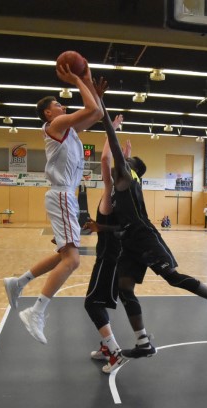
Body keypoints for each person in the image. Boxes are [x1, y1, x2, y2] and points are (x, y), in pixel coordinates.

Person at [99, 95, 207, 359]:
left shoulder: (128, 180)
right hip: (130, 241)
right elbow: (106, 159)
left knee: (173, 278)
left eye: (126, 161)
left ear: (131, 169)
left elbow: (113, 153)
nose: (121, 162)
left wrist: (105, 112)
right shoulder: (120, 186)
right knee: (124, 287)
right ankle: (143, 343)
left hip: (144, 237)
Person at [3, 63, 105, 344]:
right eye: (58, 105)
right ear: (48, 112)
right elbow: (90, 110)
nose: (62, 107)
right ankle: (36, 312)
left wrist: (94, 93)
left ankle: (19, 282)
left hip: (64, 196)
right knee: (72, 261)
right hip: (61, 194)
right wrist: (78, 78)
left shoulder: (70, 131)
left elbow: (96, 113)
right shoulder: (55, 125)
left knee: (65, 256)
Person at [84, 114, 127, 374]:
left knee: (92, 304)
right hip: (112, 258)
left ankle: (115, 352)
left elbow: (103, 159)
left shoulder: (110, 198)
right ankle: (105, 347)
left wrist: (112, 128)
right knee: (97, 302)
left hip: (108, 260)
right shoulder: (125, 198)